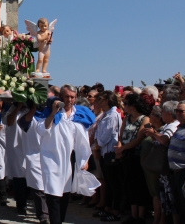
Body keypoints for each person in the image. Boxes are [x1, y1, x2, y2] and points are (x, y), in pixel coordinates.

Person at [35, 85, 97, 224]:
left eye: (72, 97)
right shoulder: (52, 113)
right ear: (61, 97)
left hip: (67, 161)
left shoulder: (78, 116)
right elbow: (42, 130)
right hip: (50, 159)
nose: (69, 100)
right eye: (66, 96)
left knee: (64, 194)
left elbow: (82, 140)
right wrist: (52, 112)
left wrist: (85, 159)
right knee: (52, 194)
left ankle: (59, 221)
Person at [114, 93, 152, 224]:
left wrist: (123, 148)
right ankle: (133, 214)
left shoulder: (145, 119)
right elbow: (121, 135)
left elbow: (139, 138)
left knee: (139, 186)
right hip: (126, 155)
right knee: (128, 185)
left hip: (137, 155)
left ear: (133, 105)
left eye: (126, 104)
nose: (124, 106)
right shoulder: (127, 118)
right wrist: (119, 146)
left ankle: (140, 217)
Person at [92, 90, 123, 222]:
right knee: (108, 182)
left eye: (101, 99)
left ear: (108, 101)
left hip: (110, 152)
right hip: (104, 152)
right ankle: (107, 208)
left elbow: (107, 134)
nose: (98, 101)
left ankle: (115, 211)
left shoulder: (112, 115)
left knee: (113, 184)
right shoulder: (106, 115)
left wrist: (97, 146)